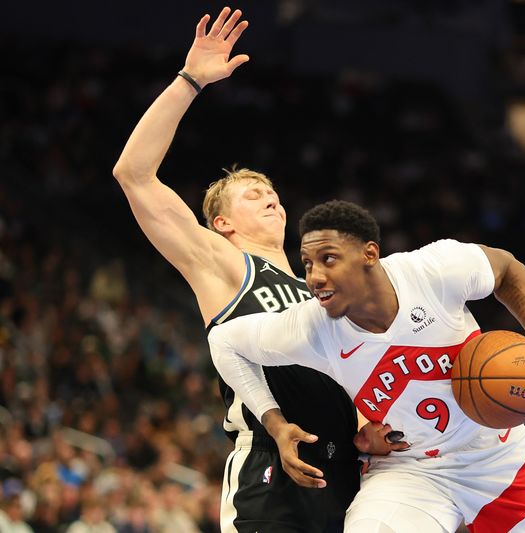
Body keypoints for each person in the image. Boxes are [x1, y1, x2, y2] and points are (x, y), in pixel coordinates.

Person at [112, 9, 392, 532]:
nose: (269, 196)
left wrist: (368, 427)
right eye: (251, 193)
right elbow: (133, 174)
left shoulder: (321, 293)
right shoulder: (221, 262)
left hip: (347, 470)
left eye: (271, 191)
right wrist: (191, 80)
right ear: (221, 222)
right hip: (271, 463)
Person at [208, 200, 525, 532]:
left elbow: (505, 268)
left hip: (497, 456)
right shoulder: (312, 327)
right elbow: (223, 342)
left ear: (369, 254)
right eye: (307, 264)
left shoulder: (433, 270)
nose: (314, 277)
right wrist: (273, 423)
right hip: (412, 470)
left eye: (329, 259)